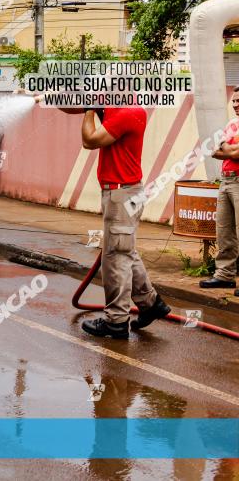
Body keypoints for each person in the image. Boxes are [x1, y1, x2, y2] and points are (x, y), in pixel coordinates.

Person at [79, 107, 171, 339]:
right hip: (124, 192)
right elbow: (72, 105)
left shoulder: (127, 112)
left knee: (116, 258)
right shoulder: (116, 109)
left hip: (122, 194)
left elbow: (89, 141)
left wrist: (88, 108)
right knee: (125, 251)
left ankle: (116, 321)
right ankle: (151, 304)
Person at [200, 89, 239, 290]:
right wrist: (228, 151)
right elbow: (216, 151)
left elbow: (232, 151)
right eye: (233, 101)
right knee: (224, 231)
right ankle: (224, 275)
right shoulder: (232, 125)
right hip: (226, 180)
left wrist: (227, 150)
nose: (235, 105)